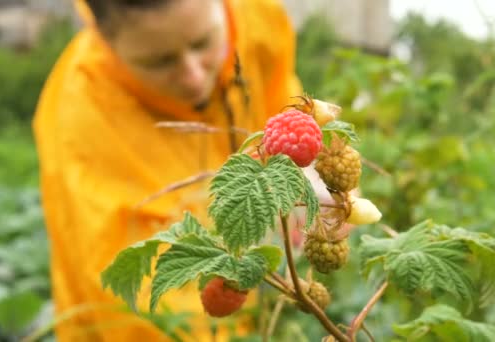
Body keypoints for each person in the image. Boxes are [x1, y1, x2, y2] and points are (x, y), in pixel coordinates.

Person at [32, 0, 301, 340]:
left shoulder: (257, 19)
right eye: (159, 62)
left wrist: (311, 179)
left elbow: (284, 107)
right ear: (105, 39)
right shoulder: (84, 118)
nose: (193, 76)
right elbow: (140, 298)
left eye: (203, 43)